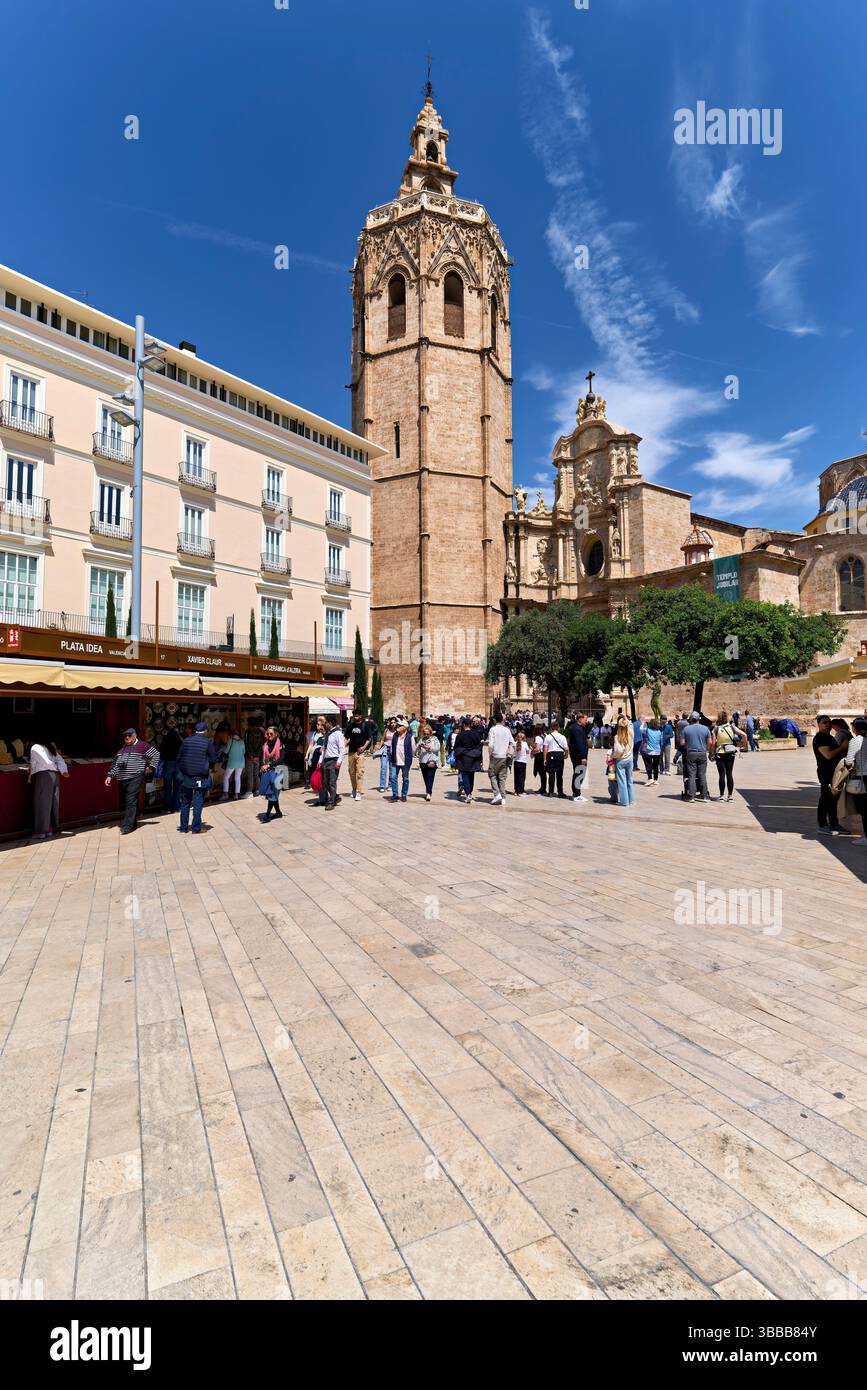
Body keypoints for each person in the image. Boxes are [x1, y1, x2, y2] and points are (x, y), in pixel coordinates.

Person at [105, 728, 159, 835]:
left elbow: (156, 754)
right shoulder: (122, 750)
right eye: (125, 736)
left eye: (129, 735)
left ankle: (127, 826)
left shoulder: (142, 745)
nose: (127, 737)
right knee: (128, 802)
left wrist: (151, 767)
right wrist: (110, 776)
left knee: (130, 800)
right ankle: (133, 824)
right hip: (122, 778)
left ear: (134, 735)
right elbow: (115, 764)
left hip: (136, 776)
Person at [177, 721, 218, 833]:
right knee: (198, 802)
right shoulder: (207, 742)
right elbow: (213, 758)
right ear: (205, 731)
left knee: (185, 802)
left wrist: (184, 770)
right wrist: (208, 767)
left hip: (186, 776)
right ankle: (196, 828)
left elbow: (179, 758)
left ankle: (183, 828)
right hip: (200, 777)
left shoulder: (186, 741)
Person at [813, 714, 846, 836]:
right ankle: (822, 825)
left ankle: (834, 823)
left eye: (829, 722)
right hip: (825, 773)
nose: (827, 724)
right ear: (819, 724)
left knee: (833, 799)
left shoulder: (829, 737)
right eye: (824, 722)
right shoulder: (820, 738)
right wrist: (842, 747)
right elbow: (828, 755)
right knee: (825, 799)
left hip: (834, 772)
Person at [29, 737, 67, 839]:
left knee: (42, 802)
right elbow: (60, 760)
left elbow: (46, 762)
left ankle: (41, 831)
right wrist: (63, 771)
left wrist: (54, 768)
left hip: (43, 775)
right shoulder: (50, 747)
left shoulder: (35, 747)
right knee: (52, 802)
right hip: (54, 775)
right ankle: (49, 828)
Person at [842, 718, 867, 845]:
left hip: (861, 777)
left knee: (864, 809)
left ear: (855, 728)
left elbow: (849, 761)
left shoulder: (855, 741)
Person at [713, 710, 747, 802]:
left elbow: (713, 743)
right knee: (729, 774)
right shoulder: (732, 727)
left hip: (720, 753)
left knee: (721, 775)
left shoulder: (716, 728)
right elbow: (744, 735)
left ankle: (721, 796)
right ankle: (730, 796)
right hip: (730, 752)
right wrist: (743, 746)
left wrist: (711, 753)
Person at [683, 711, 714, 802]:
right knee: (702, 775)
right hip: (702, 753)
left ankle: (691, 796)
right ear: (699, 719)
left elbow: (682, 742)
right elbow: (710, 742)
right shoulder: (705, 729)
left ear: (691, 719)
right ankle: (704, 796)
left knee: (692, 775)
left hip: (691, 753)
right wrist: (706, 749)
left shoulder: (686, 729)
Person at [487, 711, 515, 806]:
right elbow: (513, 743)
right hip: (505, 756)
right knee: (502, 777)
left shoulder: (493, 730)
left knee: (492, 775)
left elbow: (491, 744)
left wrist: (490, 753)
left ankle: (497, 794)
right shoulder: (507, 730)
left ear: (494, 720)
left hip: (495, 755)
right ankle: (503, 798)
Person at [257, 725, 284, 821]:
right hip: (268, 772)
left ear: (276, 734)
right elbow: (261, 758)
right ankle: (278, 812)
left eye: (271, 733)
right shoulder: (265, 745)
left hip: (279, 771)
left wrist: (269, 765)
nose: (269, 735)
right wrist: (261, 766)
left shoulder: (280, 745)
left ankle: (267, 815)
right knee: (272, 792)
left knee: (273, 792)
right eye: (267, 733)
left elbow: (281, 759)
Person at [453, 718, 483, 803]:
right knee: (471, 775)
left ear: (464, 725)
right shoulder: (476, 735)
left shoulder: (460, 735)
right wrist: (481, 760)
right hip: (474, 757)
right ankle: (470, 792)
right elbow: (479, 748)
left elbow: (456, 747)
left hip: (464, 757)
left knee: (465, 775)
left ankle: (468, 793)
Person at [319, 718, 346, 810]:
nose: (324, 724)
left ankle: (331, 802)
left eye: (325, 722)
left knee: (332, 782)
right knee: (325, 782)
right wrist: (320, 761)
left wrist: (339, 761)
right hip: (326, 760)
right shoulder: (328, 734)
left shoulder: (338, 734)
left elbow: (342, 749)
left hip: (334, 760)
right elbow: (324, 748)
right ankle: (334, 796)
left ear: (330, 723)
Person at [345, 711, 371, 801]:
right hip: (351, 752)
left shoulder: (365, 725)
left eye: (357, 716)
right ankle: (354, 789)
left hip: (360, 752)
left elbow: (369, 738)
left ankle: (359, 792)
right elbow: (347, 737)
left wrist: (364, 747)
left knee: (359, 772)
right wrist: (342, 746)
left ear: (360, 716)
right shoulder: (350, 726)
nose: (355, 717)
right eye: (354, 716)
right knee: (351, 772)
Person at [388, 719, 415, 802]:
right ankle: (395, 795)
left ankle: (404, 795)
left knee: (405, 778)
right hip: (395, 760)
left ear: (405, 728)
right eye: (398, 725)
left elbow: (413, 749)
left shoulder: (410, 737)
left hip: (405, 761)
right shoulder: (395, 736)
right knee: (393, 777)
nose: (398, 727)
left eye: (400, 726)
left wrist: (409, 758)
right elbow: (392, 747)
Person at [158, 724, 182, 812]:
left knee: (167, 787)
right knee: (177, 786)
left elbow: (162, 753)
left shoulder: (166, 740)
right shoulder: (179, 741)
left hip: (168, 764)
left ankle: (168, 808)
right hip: (178, 765)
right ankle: (176, 807)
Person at [612, 716, 635, 807]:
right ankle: (631, 800)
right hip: (629, 760)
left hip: (620, 760)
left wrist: (613, 756)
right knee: (630, 780)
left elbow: (618, 751)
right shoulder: (631, 733)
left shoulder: (617, 737)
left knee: (622, 781)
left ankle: (624, 801)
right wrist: (626, 718)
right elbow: (630, 725)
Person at [543, 721, 568, 798]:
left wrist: (544, 759)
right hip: (560, 755)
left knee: (551, 774)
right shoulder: (562, 737)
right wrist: (566, 755)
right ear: (558, 728)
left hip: (551, 755)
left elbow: (545, 748)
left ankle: (551, 792)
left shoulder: (548, 736)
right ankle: (560, 792)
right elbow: (566, 748)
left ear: (551, 728)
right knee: (559, 774)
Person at [567, 714, 589, 803]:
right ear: (580, 719)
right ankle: (577, 794)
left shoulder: (577, 728)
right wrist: (583, 757)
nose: (586, 721)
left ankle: (576, 793)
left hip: (577, 756)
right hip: (579, 757)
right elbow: (579, 745)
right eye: (585, 719)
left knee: (578, 774)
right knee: (579, 775)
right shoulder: (577, 729)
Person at [417, 721, 441, 801]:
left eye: (427, 733)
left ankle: (428, 793)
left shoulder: (435, 739)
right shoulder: (421, 739)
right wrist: (419, 746)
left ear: (430, 732)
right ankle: (428, 790)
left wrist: (429, 748)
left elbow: (438, 748)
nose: (426, 735)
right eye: (424, 733)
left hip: (432, 761)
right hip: (423, 761)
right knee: (425, 778)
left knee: (430, 777)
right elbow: (416, 749)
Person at [243, 718, 265, 798]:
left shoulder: (247, 733)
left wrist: (252, 756)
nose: (247, 725)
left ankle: (249, 791)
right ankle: (257, 790)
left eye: (248, 724)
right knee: (256, 774)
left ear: (251, 725)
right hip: (257, 757)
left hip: (250, 757)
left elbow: (247, 746)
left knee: (250, 774)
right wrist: (257, 756)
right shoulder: (260, 732)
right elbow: (261, 745)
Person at [221, 729, 245, 800]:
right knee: (237, 778)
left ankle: (225, 794)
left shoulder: (230, 741)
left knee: (226, 777)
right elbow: (244, 752)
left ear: (231, 735)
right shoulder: (242, 741)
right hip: (241, 762)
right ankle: (236, 795)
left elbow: (226, 751)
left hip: (232, 762)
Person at [642, 719, 663, 783]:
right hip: (657, 751)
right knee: (656, 766)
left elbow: (641, 729)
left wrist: (643, 723)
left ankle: (650, 778)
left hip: (649, 750)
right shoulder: (659, 732)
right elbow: (660, 742)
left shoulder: (647, 730)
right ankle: (656, 780)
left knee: (649, 765)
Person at [513, 728, 530, 797]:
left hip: (516, 761)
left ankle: (516, 790)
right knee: (522, 777)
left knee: (516, 776)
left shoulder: (515, 743)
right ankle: (521, 790)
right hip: (523, 762)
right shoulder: (525, 743)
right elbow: (528, 752)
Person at [532, 725, 546, 793]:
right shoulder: (545, 735)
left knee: (541, 772)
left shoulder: (537, 737)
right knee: (543, 773)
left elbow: (537, 749)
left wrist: (532, 751)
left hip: (539, 755)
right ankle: (543, 787)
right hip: (544, 754)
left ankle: (543, 788)